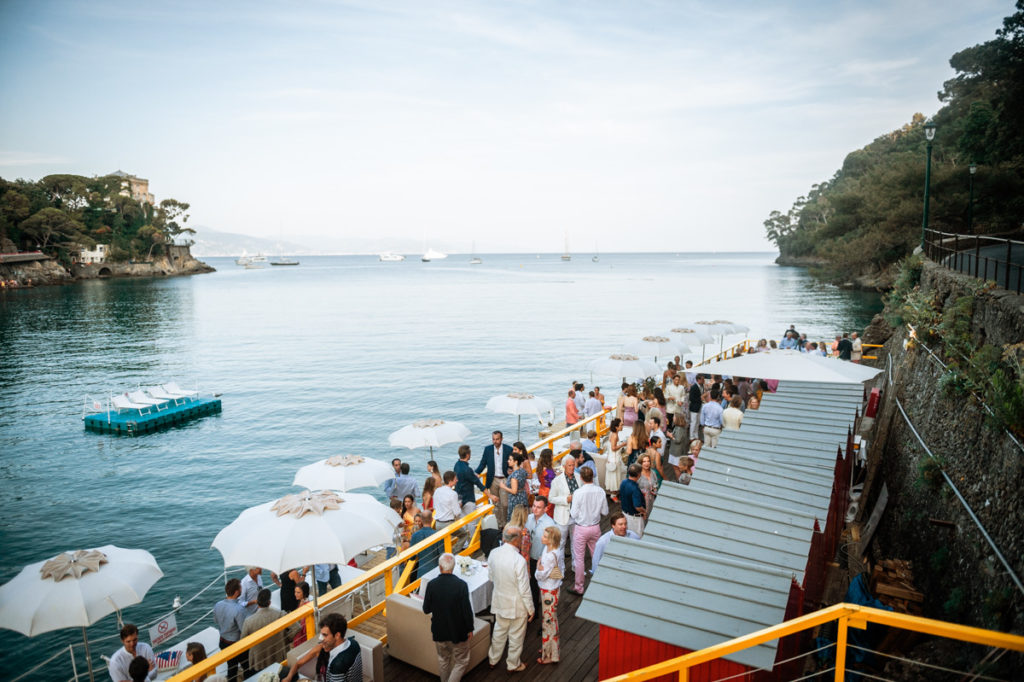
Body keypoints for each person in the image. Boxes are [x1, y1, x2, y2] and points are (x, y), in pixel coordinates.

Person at [487, 525, 535, 673]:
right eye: (520, 537)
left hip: (500, 601)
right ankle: (513, 664)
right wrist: (531, 609)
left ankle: (493, 659)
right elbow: (525, 589)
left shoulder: (493, 553)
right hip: (517, 605)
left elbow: (490, 577)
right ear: (516, 541)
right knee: (516, 637)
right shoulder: (518, 560)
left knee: (499, 632)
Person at [422, 553, 476, 682]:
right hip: (458, 631)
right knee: (461, 661)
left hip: (439, 630)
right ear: (453, 567)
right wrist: (470, 628)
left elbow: (426, 609)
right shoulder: (461, 585)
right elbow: (466, 610)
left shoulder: (431, 585)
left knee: (443, 659)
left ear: (440, 567)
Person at [568, 467, 608, 595]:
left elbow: (573, 514)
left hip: (581, 528)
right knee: (597, 556)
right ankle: (600, 582)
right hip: (595, 527)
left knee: (579, 559)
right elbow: (605, 512)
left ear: (581, 478)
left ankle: (579, 587)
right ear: (592, 477)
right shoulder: (600, 491)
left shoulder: (578, 493)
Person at [535, 525, 564, 665]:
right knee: (551, 620)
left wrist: (538, 568)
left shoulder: (549, 556)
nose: (542, 537)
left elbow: (540, 575)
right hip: (553, 588)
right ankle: (550, 647)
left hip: (548, 591)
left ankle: (550, 655)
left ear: (551, 540)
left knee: (548, 622)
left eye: (545, 536)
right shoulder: (555, 550)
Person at [240, 589, 286, 672]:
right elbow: (296, 628)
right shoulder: (280, 614)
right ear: (269, 603)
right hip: (277, 653)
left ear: (257, 603)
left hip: (258, 658)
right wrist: (285, 639)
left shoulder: (249, 621)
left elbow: (243, 641)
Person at [213, 578, 248, 682]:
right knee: (247, 666)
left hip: (223, 641)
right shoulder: (238, 609)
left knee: (231, 668)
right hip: (236, 644)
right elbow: (243, 629)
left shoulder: (218, 605)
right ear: (237, 592)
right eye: (241, 587)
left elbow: (216, 620)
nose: (242, 589)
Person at [475, 431, 513, 526]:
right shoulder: (488, 449)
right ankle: (499, 525)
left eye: (497, 439)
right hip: (493, 479)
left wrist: (511, 469)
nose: (495, 441)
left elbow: (513, 462)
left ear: (501, 439)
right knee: (496, 504)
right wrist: (476, 472)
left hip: (504, 479)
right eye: (493, 439)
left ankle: (505, 524)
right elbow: (483, 463)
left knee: (505, 504)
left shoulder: (508, 449)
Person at [525, 496, 555, 612]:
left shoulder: (550, 524)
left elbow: (552, 546)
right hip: (527, 557)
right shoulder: (529, 518)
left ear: (545, 509)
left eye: (538, 507)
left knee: (538, 587)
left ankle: (536, 611)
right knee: (529, 585)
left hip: (540, 560)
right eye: (533, 506)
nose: (535, 509)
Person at [548, 457, 581, 553]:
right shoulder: (557, 481)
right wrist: (565, 500)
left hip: (576, 516)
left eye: (573, 465)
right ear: (564, 466)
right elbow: (551, 498)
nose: (572, 468)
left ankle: (575, 567)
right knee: (561, 544)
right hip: (562, 517)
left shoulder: (578, 477)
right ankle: (561, 568)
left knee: (576, 543)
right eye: (569, 465)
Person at [322, 613, 362, 681]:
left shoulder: (338, 664)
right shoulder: (353, 643)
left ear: (337, 635)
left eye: (325, 635)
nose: (322, 638)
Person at [455, 444, 490, 515]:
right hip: (468, 499)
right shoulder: (468, 470)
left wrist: (472, 475)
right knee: (471, 522)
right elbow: (479, 484)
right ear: (467, 455)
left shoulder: (456, 465)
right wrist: (490, 495)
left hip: (458, 497)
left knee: (462, 521)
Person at [618, 464, 646, 538]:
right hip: (635, 519)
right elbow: (637, 506)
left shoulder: (623, 482)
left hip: (624, 514)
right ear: (638, 474)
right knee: (637, 537)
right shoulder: (635, 488)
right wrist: (644, 511)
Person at [410, 509, 440, 577]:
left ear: (422, 520)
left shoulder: (415, 535)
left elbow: (412, 557)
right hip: (435, 572)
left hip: (421, 572)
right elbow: (442, 555)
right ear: (432, 519)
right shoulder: (438, 535)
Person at [499, 451, 530, 516]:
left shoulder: (514, 476)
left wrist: (503, 486)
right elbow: (527, 476)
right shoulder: (522, 470)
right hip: (523, 496)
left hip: (515, 500)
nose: (508, 461)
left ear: (515, 462)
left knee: (515, 518)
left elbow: (514, 491)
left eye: (510, 460)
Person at [602, 418, 625, 495]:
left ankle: (614, 493)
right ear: (616, 427)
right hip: (614, 459)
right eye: (621, 425)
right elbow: (613, 448)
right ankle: (613, 495)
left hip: (611, 458)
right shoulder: (615, 435)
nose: (622, 426)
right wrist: (623, 444)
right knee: (615, 477)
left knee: (613, 477)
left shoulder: (612, 433)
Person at [535, 449, 557, 514]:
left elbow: (540, 480)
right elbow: (551, 483)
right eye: (552, 455)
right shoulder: (548, 471)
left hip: (541, 490)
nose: (553, 457)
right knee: (549, 511)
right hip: (548, 492)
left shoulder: (540, 468)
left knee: (542, 510)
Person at [688, 374, 705, 441]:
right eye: (702, 379)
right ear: (698, 380)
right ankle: (691, 436)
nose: (703, 381)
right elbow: (691, 398)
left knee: (697, 422)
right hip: (694, 407)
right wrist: (700, 399)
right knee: (693, 422)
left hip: (699, 406)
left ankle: (696, 435)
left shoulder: (702, 386)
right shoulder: (694, 387)